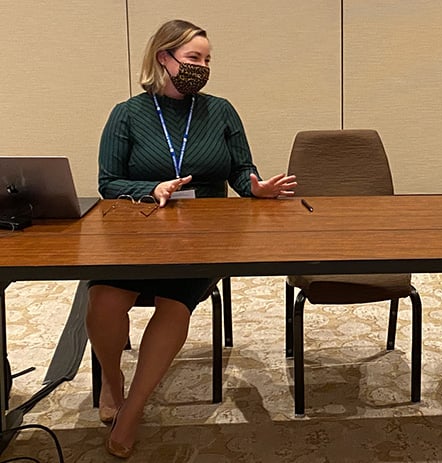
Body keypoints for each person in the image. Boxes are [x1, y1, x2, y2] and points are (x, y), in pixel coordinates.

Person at [86, 19, 296, 458]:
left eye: (207, 60)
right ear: (164, 58)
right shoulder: (127, 114)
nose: (202, 67)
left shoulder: (220, 110)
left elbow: (241, 169)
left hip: (205, 233)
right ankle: (112, 377)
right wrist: (151, 189)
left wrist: (255, 187)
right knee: (104, 300)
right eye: (193, 58)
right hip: (138, 231)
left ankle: (133, 409)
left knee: (173, 304)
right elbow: (109, 181)